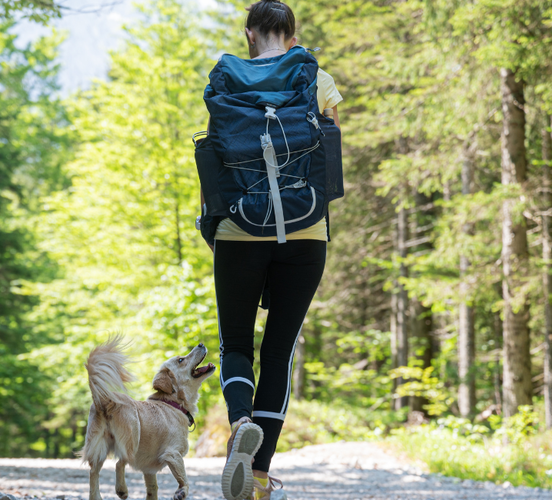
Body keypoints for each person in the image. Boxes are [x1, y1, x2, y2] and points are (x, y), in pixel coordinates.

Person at [207, 2, 343, 499]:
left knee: (236, 345)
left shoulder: (225, 79)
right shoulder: (317, 78)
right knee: (279, 352)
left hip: (239, 229)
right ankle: (259, 477)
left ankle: (240, 420)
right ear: (292, 34)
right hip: (306, 231)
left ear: (249, 33)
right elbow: (329, 157)